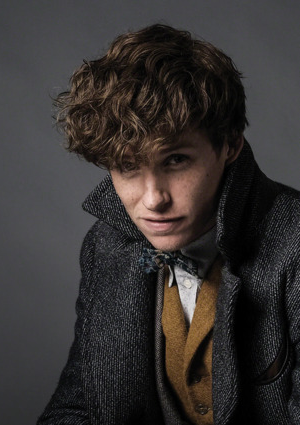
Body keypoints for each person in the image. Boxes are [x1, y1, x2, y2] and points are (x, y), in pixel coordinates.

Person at [37, 23, 300, 425]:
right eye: (127, 166)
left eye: (176, 160)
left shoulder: (294, 243)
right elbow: (78, 407)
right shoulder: (105, 248)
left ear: (230, 144)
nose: (153, 199)